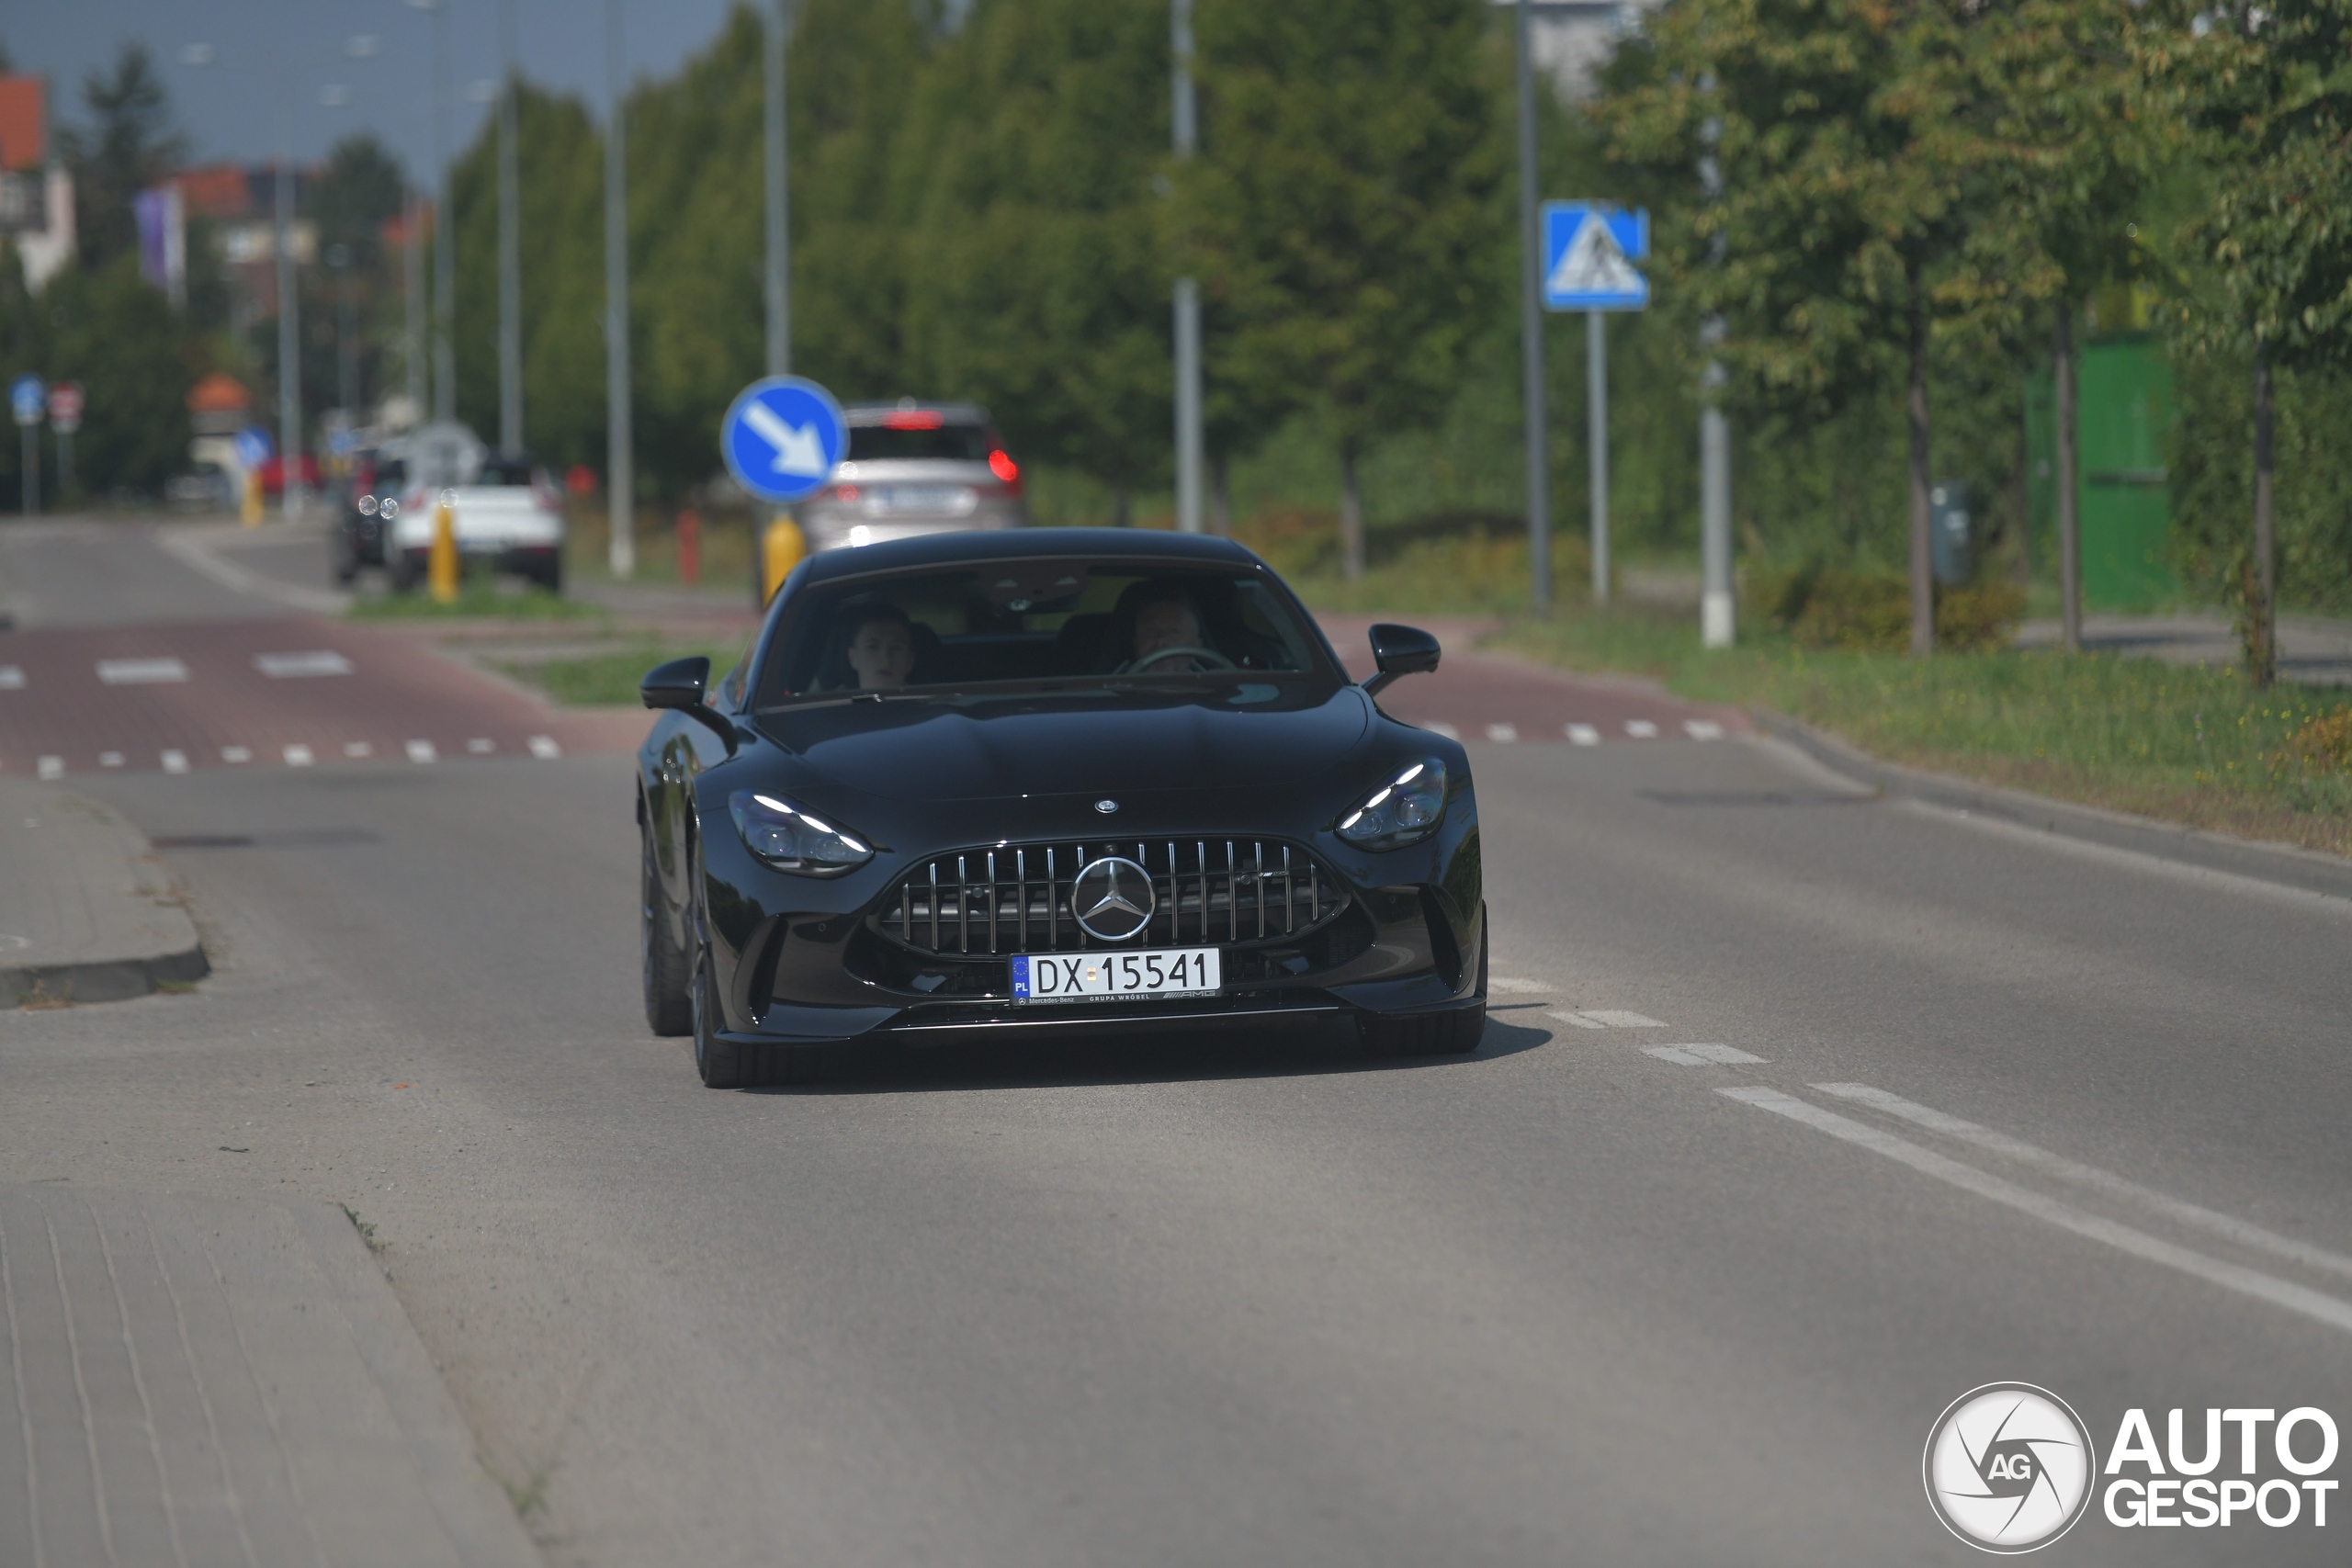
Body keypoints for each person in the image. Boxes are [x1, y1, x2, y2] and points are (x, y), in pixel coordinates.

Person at [1116, 583, 1225, 672]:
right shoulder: (1111, 692)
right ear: (1136, 644)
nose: (1160, 641)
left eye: (1174, 631)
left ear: (1196, 646)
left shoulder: (1219, 692)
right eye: (1150, 631)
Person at [835, 603, 916, 690]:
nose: (886, 659)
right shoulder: (833, 702)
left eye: (896, 648)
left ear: (909, 661)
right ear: (852, 657)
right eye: (873, 647)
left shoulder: (923, 699)